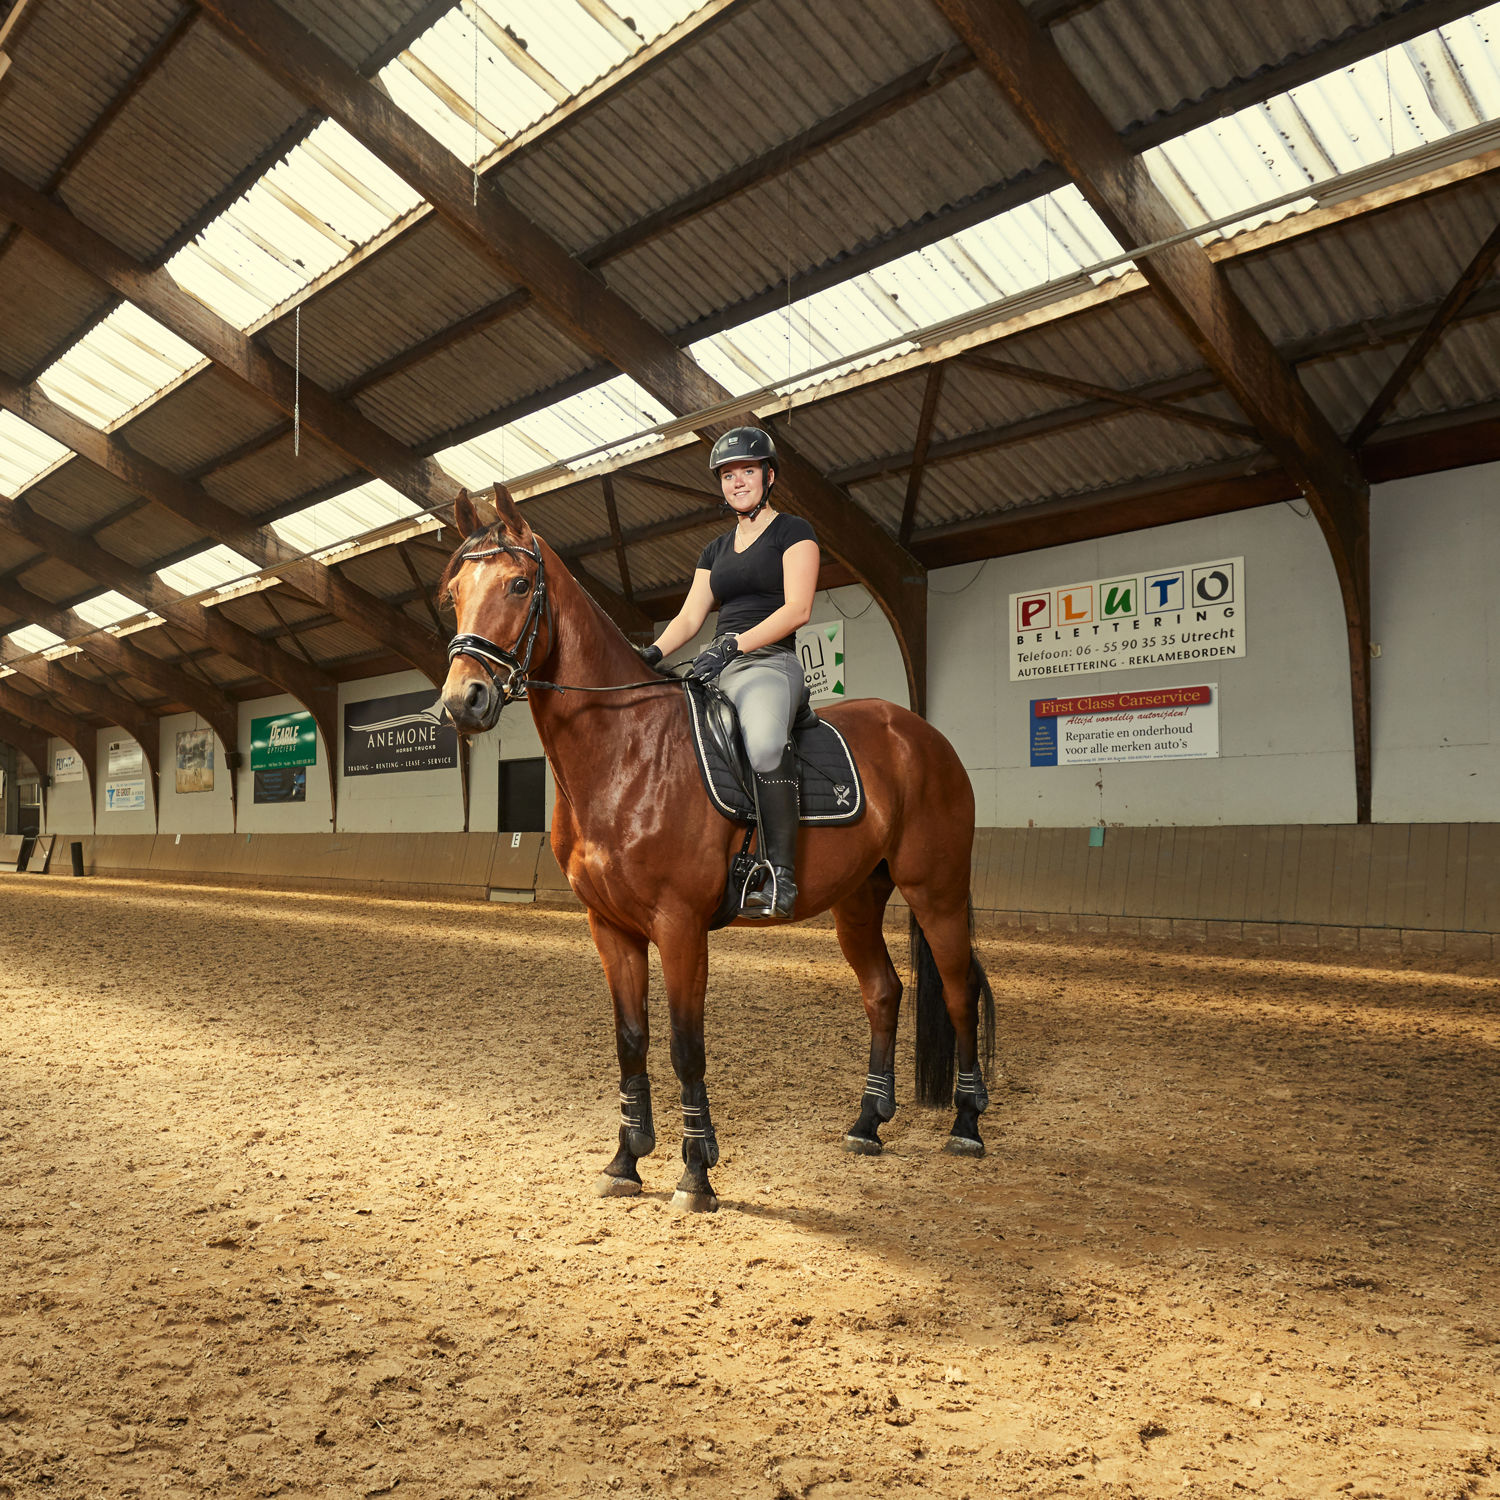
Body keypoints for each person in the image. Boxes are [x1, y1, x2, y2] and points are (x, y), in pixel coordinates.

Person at [636, 426, 819, 918]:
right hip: (719, 667)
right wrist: (651, 654)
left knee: (762, 744)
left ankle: (780, 876)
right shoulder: (714, 551)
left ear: (768, 476)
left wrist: (734, 643)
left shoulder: (794, 532)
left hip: (769, 663)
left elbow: (798, 608)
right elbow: (691, 617)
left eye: (747, 471)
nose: (737, 482)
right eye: (728, 475)